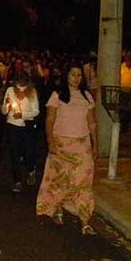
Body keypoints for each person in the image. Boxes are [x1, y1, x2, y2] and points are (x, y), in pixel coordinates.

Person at [36, 64, 99, 235]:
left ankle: (85, 220)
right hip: (61, 144)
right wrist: (50, 141)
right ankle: (58, 209)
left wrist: (96, 144)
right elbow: (49, 121)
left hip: (82, 144)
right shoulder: (57, 96)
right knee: (60, 180)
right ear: (66, 76)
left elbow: (92, 123)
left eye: (79, 75)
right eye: (73, 74)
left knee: (84, 181)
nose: (76, 78)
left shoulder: (87, 96)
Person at [3, 72, 40, 193]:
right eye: (18, 85)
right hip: (13, 126)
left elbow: (36, 111)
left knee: (28, 151)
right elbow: (4, 111)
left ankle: (31, 170)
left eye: (23, 85)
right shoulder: (10, 90)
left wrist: (22, 115)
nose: (20, 88)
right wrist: (7, 105)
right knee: (15, 154)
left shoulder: (32, 92)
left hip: (26, 126)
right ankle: (17, 181)